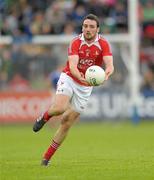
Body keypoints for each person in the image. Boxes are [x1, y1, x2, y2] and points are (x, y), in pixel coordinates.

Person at [33, 14, 114, 166]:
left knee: (66, 122)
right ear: (82, 27)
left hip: (85, 87)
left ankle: (46, 159)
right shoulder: (76, 42)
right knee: (59, 108)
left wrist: (107, 73)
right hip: (70, 78)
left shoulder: (103, 43)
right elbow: (72, 66)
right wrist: (80, 77)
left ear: (98, 29)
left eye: (91, 27)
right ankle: (44, 117)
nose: (87, 29)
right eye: (85, 26)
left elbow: (109, 64)